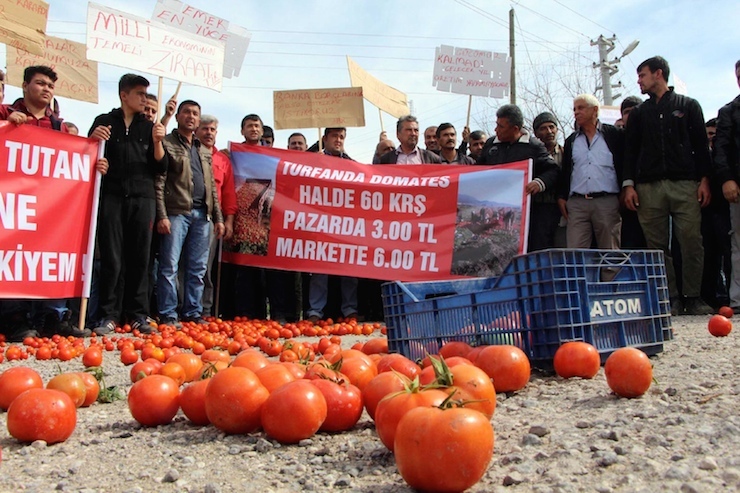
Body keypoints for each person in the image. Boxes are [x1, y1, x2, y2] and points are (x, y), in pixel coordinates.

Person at [0, 65, 107, 340]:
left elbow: (71, 164)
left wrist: (94, 160)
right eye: (40, 83)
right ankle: (15, 320)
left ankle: (53, 317)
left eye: (50, 85)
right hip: (13, 205)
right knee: (13, 257)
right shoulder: (5, 115)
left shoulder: (59, 127)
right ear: (24, 86)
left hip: (48, 210)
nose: (46, 89)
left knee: (52, 256)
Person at [622, 56, 713, 316]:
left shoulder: (689, 106)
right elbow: (631, 151)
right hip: (648, 188)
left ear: (658, 74)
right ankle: (670, 297)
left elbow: (700, 146)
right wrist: (629, 185)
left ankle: (693, 297)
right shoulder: (639, 113)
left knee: (691, 240)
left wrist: (705, 180)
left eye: (642, 75)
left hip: (685, 184)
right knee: (657, 246)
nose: (638, 81)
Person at [88, 73, 166, 335]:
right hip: (112, 197)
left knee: (141, 258)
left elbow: (160, 166)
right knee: (112, 256)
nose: (145, 99)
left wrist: (158, 142)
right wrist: (95, 148)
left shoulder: (149, 127)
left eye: (147, 94)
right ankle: (109, 315)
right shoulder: (104, 122)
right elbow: (88, 155)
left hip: (143, 200)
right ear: (124, 95)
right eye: (140, 94)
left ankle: (138, 314)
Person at [156, 100, 224, 327]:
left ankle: (193, 313)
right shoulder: (167, 143)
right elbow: (160, 181)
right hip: (176, 213)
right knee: (170, 266)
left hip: (202, 216)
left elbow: (212, 187)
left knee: (198, 268)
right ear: (178, 116)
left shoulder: (203, 150)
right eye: (186, 112)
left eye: (195, 113)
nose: (191, 116)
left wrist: (218, 217)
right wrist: (162, 214)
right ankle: (168, 313)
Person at [477, 104, 560, 252]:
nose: (496, 130)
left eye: (501, 126)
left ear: (515, 129)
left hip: (526, 214)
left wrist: (539, 183)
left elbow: (553, 170)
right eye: (496, 125)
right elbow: (477, 170)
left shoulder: (533, 146)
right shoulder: (490, 144)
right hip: (495, 208)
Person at [557, 94, 623, 249]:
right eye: (574, 109)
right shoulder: (571, 140)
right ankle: (580, 275)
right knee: (575, 253)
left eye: (581, 108)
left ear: (595, 110)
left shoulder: (614, 135)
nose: (576, 112)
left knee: (610, 251)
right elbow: (566, 170)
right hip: (577, 203)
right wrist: (562, 196)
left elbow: (623, 164)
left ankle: (611, 275)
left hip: (607, 202)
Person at [307, 127, 359, 322]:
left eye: (342, 137)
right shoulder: (313, 162)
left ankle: (350, 309)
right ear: (325, 138)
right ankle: (315, 311)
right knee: (319, 269)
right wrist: (314, 163)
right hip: (321, 223)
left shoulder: (352, 165)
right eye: (334, 136)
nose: (338, 140)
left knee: (349, 268)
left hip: (346, 224)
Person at [195, 115, 236, 317]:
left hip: (212, 220)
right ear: (196, 130)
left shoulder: (222, 160)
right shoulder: (189, 152)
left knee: (204, 267)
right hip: (185, 215)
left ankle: (204, 309)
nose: (209, 133)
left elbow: (228, 194)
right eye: (205, 128)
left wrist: (228, 220)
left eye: (212, 129)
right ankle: (179, 309)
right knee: (179, 266)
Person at [714, 60, 740, 310]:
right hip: (737, 186)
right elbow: (720, 149)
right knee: (738, 245)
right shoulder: (730, 111)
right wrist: (727, 179)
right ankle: (738, 300)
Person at [533, 111, 566, 247]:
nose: (549, 131)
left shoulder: (566, 153)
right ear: (536, 134)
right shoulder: (532, 155)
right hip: (538, 209)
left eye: (552, 127)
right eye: (543, 128)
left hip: (561, 208)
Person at [618, 96, 647, 249]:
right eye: (627, 112)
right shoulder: (616, 139)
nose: (631, 115)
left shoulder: (652, 136)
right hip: (625, 204)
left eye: (635, 111)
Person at [378, 115, 443, 164]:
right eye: (409, 130)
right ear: (398, 134)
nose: (413, 134)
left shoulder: (432, 158)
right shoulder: (386, 159)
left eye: (416, 130)